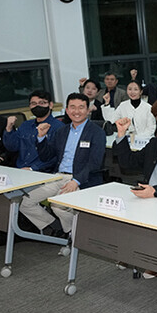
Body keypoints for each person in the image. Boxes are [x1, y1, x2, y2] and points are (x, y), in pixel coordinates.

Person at [19, 93, 106, 237]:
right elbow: (48, 156)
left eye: (81, 107)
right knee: (25, 202)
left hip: (81, 178)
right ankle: (60, 228)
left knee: (58, 205)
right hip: (58, 177)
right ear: (66, 110)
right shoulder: (62, 131)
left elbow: (95, 162)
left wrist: (76, 180)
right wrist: (41, 138)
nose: (76, 111)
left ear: (87, 110)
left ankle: (75, 234)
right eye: (72, 107)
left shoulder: (96, 132)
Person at [3, 90, 65, 171]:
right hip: (20, 170)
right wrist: (9, 128)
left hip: (43, 172)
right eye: (33, 104)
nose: (37, 106)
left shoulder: (59, 127)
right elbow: (12, 147)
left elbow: (57, 156)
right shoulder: (25, 125)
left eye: (42, 103)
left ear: (50, 105)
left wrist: (32, 168)